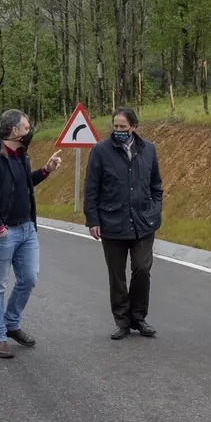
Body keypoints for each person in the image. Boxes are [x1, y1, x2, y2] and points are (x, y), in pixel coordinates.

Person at [0, 109, 62, 359]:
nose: (30, 132)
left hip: (26, 229)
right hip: (1, 232)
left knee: (29, 279)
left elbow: (22, 185)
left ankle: (11, 322)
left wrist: (46, 171)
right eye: (27, 128)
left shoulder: (21, 155)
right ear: (14, 131)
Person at [84, 107, 163, 341]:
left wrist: (155, 209)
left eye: (123, 127)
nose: (118, 131)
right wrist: (92, 220)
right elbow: (91, 188)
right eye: (115, 127)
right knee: (117, 275)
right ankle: (122, 320)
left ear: (134, 127)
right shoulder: (100, 151)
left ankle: (139, 317)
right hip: (112, 222)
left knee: (141, 269)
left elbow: (156, 185)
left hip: (143, 222)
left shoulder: (149, 149)